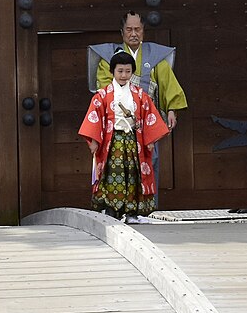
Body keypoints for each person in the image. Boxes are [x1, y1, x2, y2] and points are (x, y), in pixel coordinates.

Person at [90, 11, 186, 204]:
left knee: (150, 162)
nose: (133, 33)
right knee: (117, 164)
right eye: (129, 29)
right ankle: (117, 206)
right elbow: (104, 90)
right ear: (122, 32)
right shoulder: (110, 57)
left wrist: (171, 110)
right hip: (118, 121)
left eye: (138, 29)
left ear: (143, 31)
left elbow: (168, 84)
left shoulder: (155, 56)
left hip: (146, 120)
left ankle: (146, 208)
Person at [79, 49, 171, 221]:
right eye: (120, 71)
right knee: (113, 173)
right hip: (112, 142)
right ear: (112, 71)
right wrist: (93, 141)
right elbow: (95, 117)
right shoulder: (103, 95)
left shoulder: (140, 95)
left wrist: (150, 140)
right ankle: (111, 209)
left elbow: (149, 115)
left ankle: (131, 211)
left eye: (128, 71)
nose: (123, 75)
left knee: (134, 174)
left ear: (132, 72)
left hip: (134, 141)